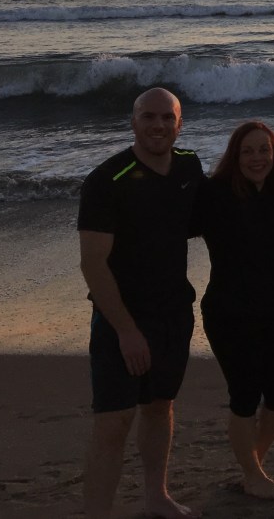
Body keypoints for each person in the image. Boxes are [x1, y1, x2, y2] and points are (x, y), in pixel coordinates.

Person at [77, 87, 203, 519]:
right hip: (122, 321)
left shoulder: (189, 166)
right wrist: (127, 331)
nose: (158, 126)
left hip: (174, 314)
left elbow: (227, 209)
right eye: (148, 117)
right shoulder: (106, 180)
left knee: (160, 406)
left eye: (168, 118)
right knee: (113, 421)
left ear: (179, 123)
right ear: (133, 122)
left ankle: (156, 496)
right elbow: (93, 264)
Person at [197, 121, 274, 499]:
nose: (257, 158)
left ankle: (252, 463)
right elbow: (170, 219)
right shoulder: (215, 196)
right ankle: (253, 474)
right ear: (234, 156)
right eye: (248, 151)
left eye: (265, 150)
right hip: (230, 311)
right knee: (244, 395)